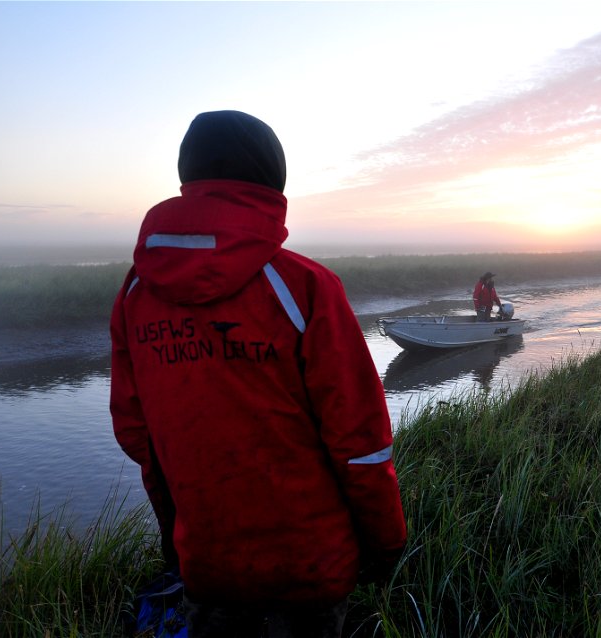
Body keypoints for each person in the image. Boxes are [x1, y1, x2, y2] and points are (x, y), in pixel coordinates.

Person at [110, 110, 407, 638]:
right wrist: (385, 546)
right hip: (312, 570)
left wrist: (179, 531)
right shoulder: (305, 286)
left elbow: (138, 436)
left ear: (188, 177)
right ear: (274, 181)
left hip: (206, 567)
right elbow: (362, 444)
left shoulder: (135, 295)